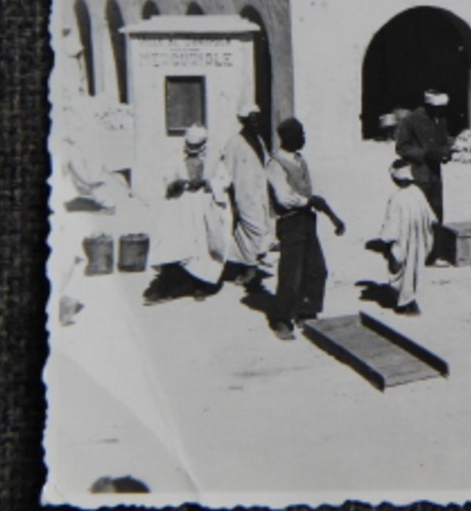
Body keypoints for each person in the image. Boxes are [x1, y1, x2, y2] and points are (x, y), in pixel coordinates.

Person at [265, 117, 345, 340]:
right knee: (291, 273)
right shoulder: (275, 164)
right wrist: (308, 202)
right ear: (289, 138)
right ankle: (282, 320)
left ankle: (306, 311)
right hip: (291, 221)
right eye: (300, 135)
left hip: (307, 221)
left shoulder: (300, 160)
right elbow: (283, 197)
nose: (304, 139)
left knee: (316, 268)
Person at [143, 124, 227, 303]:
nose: (193, 149)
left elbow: (224, 179)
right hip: (180, 206)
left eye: (197, 145)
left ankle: (200, 285)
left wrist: (207, 183)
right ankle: (164, 289)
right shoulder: (175, 158)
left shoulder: (213, 159)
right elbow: (166, 180)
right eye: (190, 145)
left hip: (203, 206)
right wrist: (177, 184)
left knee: (202, 247)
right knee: (172, 242)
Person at [367, 158, 436, 315]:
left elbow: (392, 226)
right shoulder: (418, 193)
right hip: (418, 241)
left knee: (401, 269)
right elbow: (431, 218)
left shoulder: (396, 198)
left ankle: (405, 303)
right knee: (414, 270)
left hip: (403, 242)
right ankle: (410, 300)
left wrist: (385, 242)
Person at [217, 100, 274, 287]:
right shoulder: (234, 143)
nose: (256, 122)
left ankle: (246, 264)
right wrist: (231, 199)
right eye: (251, 119)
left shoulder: (259, 140)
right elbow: (226, 174)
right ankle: (250, 269)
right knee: (254, 229)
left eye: (258, 118)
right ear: (243, 120)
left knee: (258, 230)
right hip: (244, 196)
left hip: (260, 195)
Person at [395, 90, 453, 222]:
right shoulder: (411, 120)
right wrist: (424, 153)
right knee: (418, 215)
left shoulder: (441, 119)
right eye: (437, 108)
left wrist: (446, 152)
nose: (440, 111)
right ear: (428, 106)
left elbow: (444, 141)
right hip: (418, 175)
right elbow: (401, 147)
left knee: (436, 214)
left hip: (435, 175)